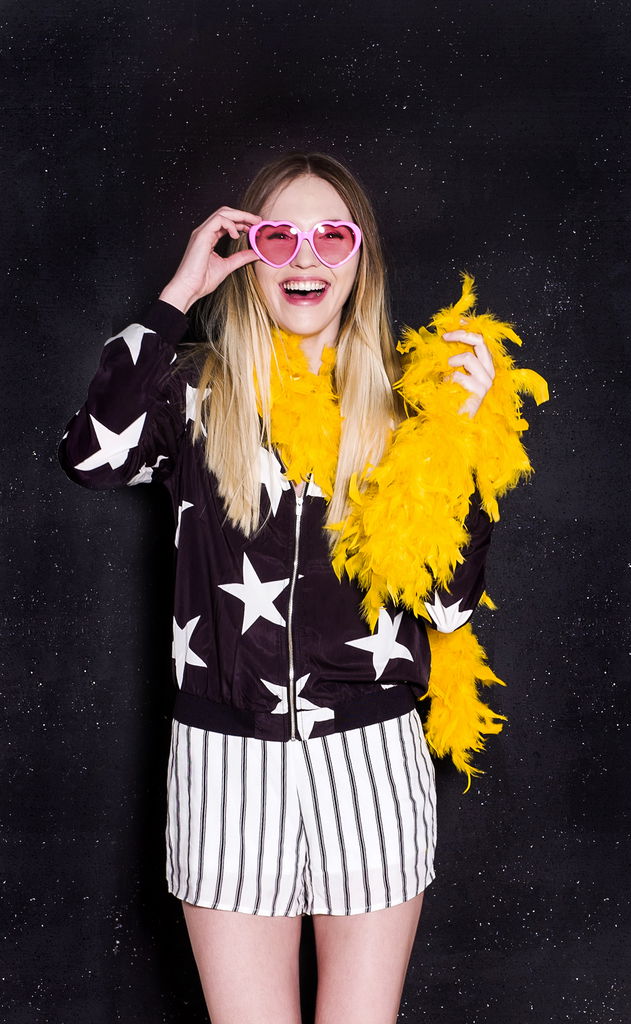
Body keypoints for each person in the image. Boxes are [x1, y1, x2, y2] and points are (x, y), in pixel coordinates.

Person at [58, 152, 545, 1024]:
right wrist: (180, 291)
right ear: (249, 256)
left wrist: (461, 443)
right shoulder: (194, 391)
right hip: (224, 761)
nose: (307, 257)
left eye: (333, 236)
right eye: (279, 236)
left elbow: (446, 607)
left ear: (362, 260)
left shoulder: (410, 406)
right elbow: (90, 457)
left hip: (371, 758)